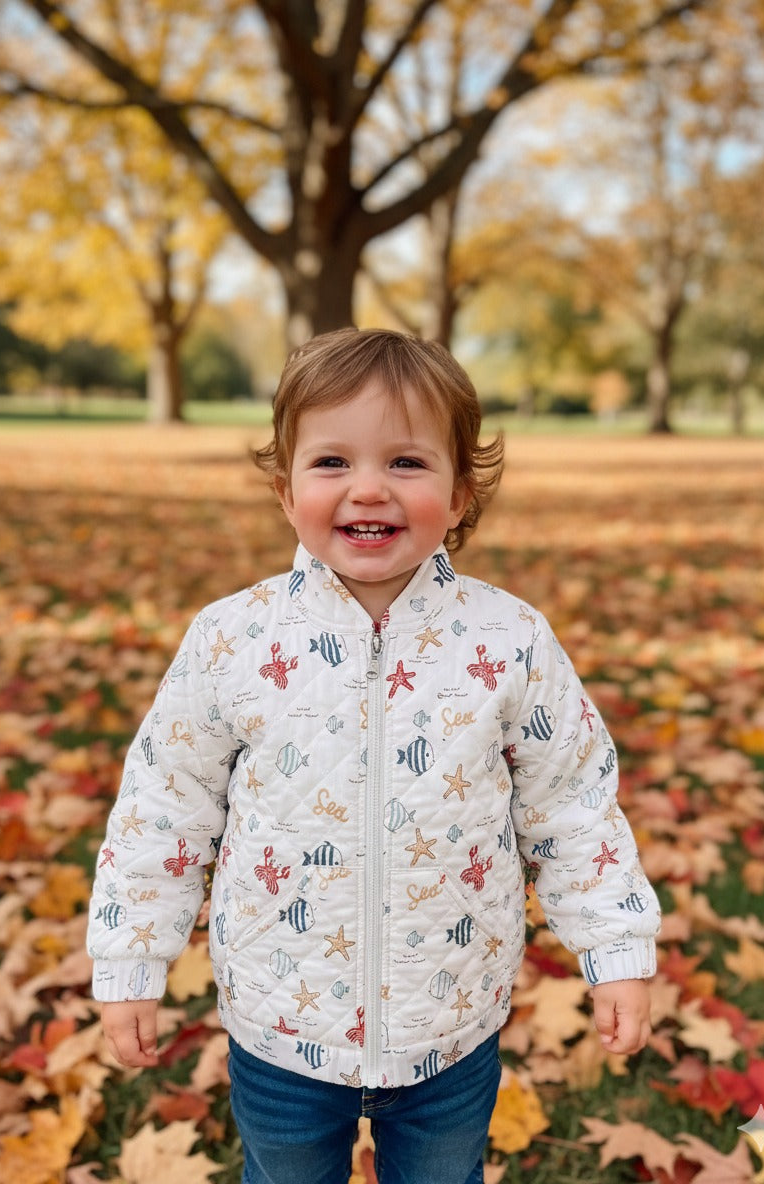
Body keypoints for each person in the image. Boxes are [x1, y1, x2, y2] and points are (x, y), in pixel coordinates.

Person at [88, 328, 661, 1184]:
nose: (368, 488)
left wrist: (615, 952)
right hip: (283, 1022)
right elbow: (166, 803)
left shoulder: (508, 642)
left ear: (461, 493)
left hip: (451, 1020)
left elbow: (573, 805)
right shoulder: (234, 640)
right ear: (286, 492)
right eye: (331, 463)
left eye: (405, 462)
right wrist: (132, 957)